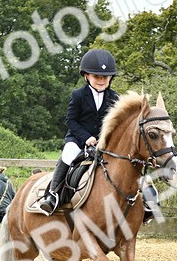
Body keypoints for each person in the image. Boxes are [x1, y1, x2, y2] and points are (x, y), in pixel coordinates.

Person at [38, 48, 120, 215]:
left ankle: (143, 200)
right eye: (97, 76)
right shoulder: (78, 95)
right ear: (86, 76)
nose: (101, 80)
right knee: (67, 156)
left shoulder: (115, 98)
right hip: (78, 139)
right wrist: (86, 138)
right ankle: (53, 194)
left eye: (105, 77)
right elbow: (71, 121)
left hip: (104, 142)